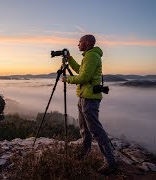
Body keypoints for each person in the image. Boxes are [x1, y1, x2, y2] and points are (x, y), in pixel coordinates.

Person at [61, 34, 117, 175]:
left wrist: (67, 79)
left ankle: (110, 162)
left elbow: (84, 77)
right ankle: (85, 153)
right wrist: (70, 59)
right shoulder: (88, 56)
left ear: (86, 43)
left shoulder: (92, 56)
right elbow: (81, 71)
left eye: (79, 42)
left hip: (90, 99)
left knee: (96, 131)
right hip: (84, 97)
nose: (78, 44)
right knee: (84, 130)